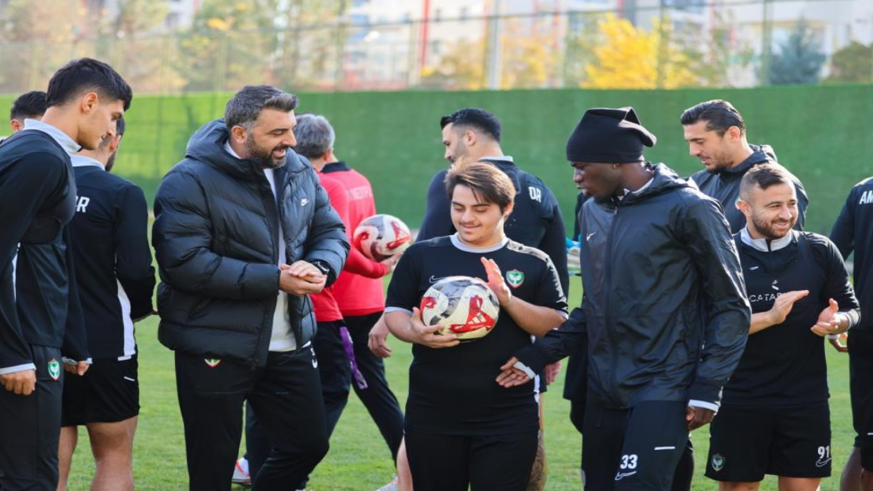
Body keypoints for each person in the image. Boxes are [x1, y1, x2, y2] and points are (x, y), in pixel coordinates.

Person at [505, 107, 751, 491]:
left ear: (617, 162)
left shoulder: (690, 207)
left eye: (582, 166)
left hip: (664, 385)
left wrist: (708, 387)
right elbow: (594, 305)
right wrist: (539, 355)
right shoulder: (592, 212)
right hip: (603, 387)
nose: (576, 177)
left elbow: (731, 304)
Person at [152, 85, 349, 491]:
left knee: (309, 444)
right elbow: (184, 264)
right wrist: (275, 278)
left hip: (290, 341)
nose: (291, 141)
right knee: (212, 466)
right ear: (240, 134)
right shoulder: (187, 180)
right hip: (214, 343)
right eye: (278, 133)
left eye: (291, 129)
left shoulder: (297, 169)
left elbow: (331, 230)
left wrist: (321, 265)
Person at [370, 107, 568, 490]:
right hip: (433, 410)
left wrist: (508, 300)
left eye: (480, 210)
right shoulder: (423, 255)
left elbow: (557, 323)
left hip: (507, 413)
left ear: (506, 209)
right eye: (458, 208)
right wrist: (415, 332)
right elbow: (394, 311)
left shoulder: (532, 262)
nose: (467, 218)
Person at [0, 57, 130, 491]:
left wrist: (71, 341)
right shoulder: (38, 158)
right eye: (114, 117)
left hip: (42, 341)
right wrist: (12, 353)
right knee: (29, 478)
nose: (113, 131)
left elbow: (51, 255)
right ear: (89, 102)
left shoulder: (40, 154)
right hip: (25, 347)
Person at [704, 163, 859, 490]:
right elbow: (709, 328)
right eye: (774, 205)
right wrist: (770, 318)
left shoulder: (819, 250)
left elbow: (850, 306)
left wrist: (838, 321)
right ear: (744, 207)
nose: (786, 214)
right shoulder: (723, 256)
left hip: (805, 400)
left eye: (791, 204)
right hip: (739, 398)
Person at [58, 116, 156, 491]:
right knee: (114, 456)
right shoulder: (121, 192)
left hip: (44, 339)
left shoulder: (37, 183)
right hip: (106, 342)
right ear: (113, 140)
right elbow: (135, 269)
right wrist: (143, 306)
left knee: (49, 460)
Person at [681, 99, 809, 232]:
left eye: (700, 141)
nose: (693, 151)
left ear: (733, 134)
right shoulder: (696, 183)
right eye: (689, 142)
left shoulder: (782, 184)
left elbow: (784, 250)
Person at [831, 174, 873, 491]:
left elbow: (832, 256)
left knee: (866, 440)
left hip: (865, 328)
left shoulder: (862, 190)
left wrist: (840, 316)